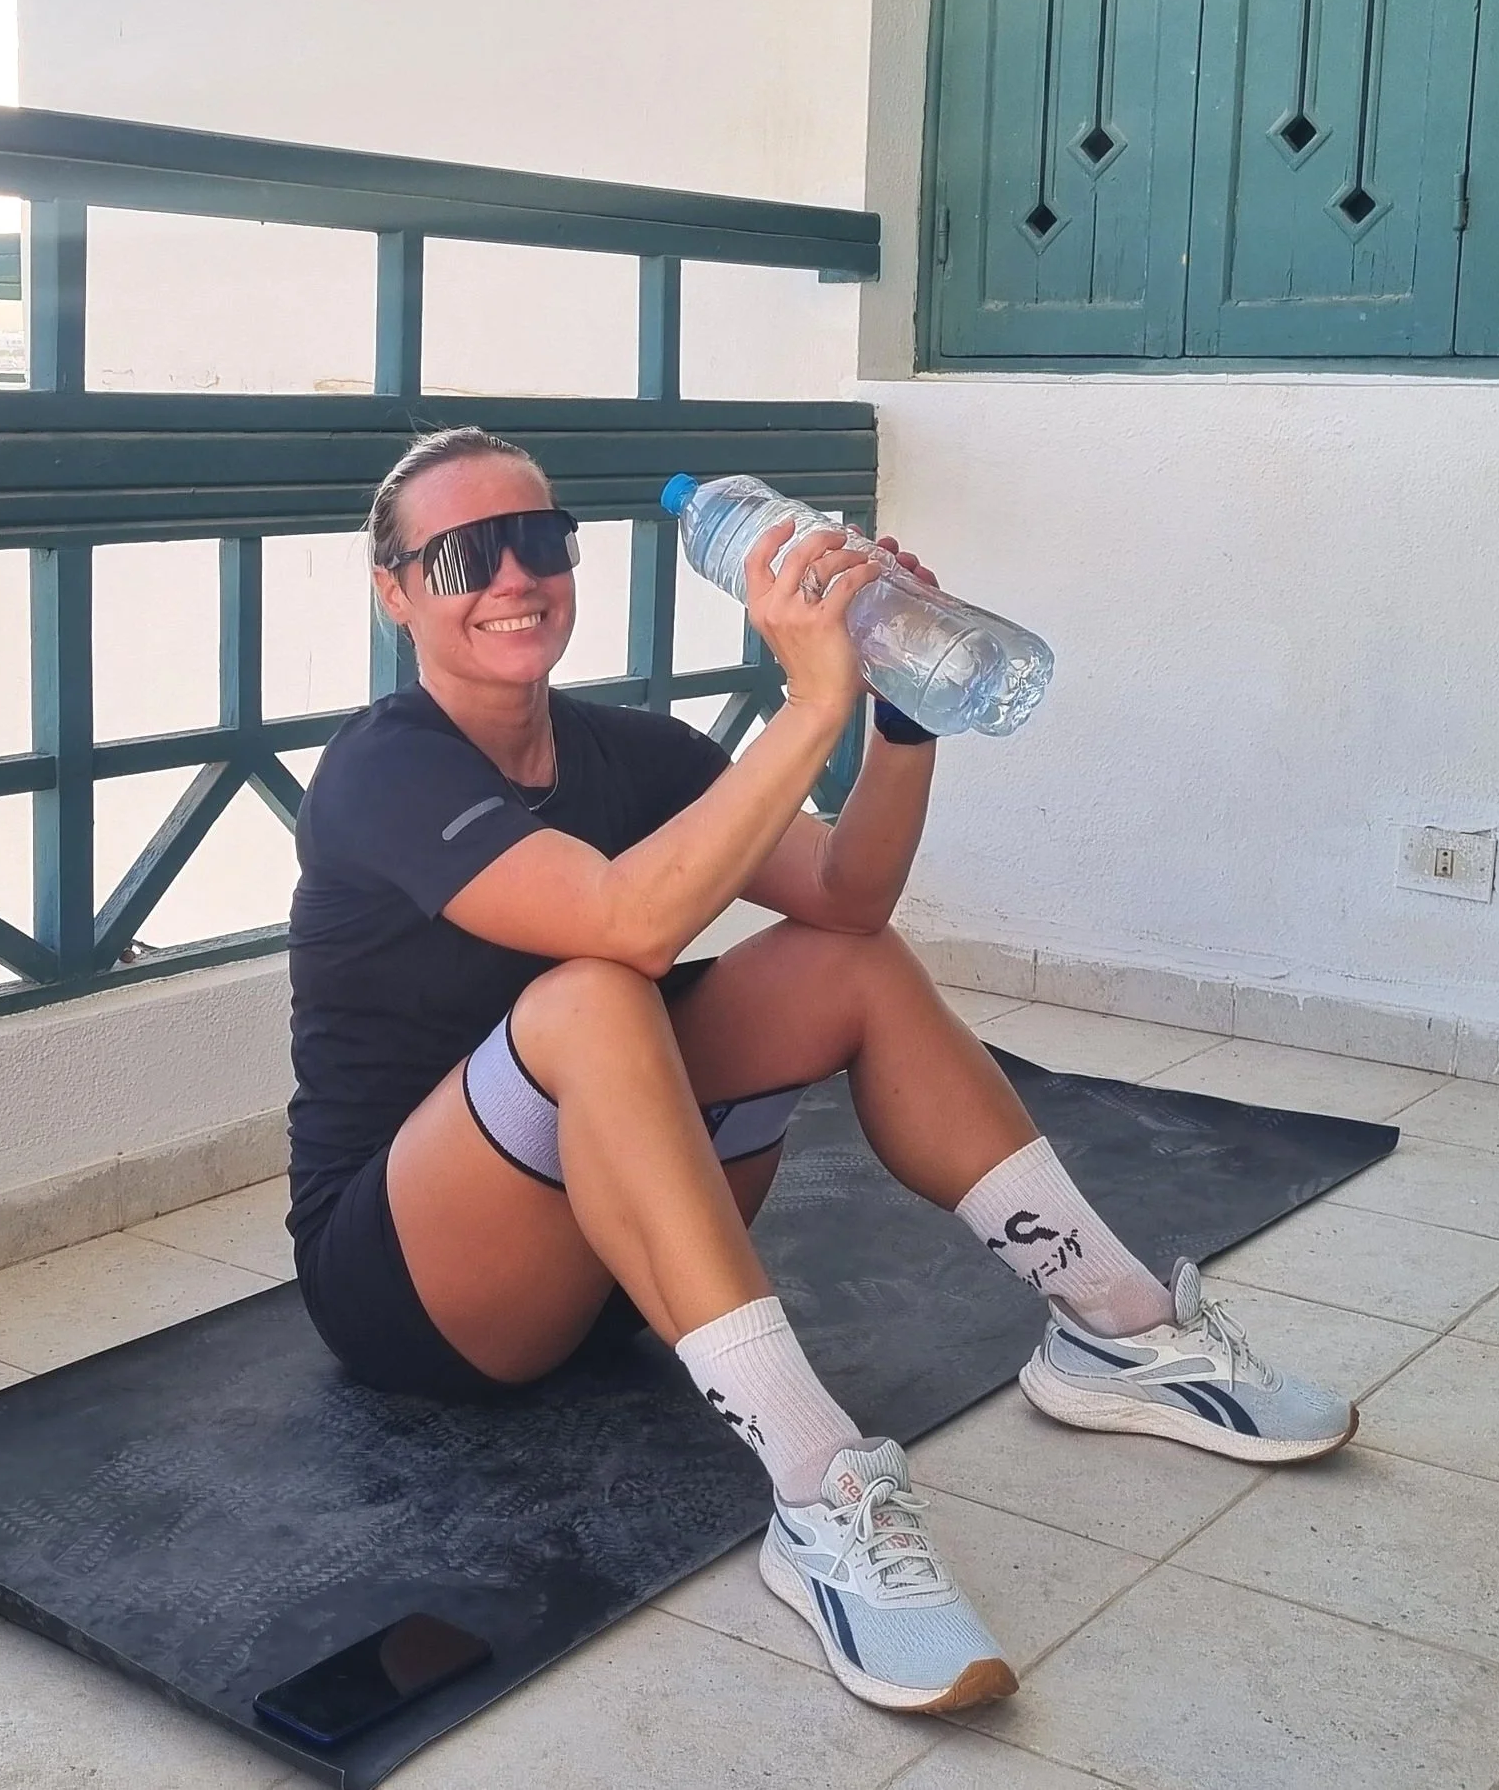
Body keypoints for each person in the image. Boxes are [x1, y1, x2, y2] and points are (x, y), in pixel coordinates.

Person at [286, 427, 1354, 1715]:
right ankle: (818, 1491)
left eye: (537, 539)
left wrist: (899, 712)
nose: (512, 576)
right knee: (595, 994)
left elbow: (849, 895)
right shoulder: (384, 767)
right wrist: (807, 704)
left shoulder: (635, 751)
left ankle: (1119, 1329)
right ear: (396, 592)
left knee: (846, 965)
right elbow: (626, 922)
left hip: (614, 1251)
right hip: (417, 1284)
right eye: (464, 554)